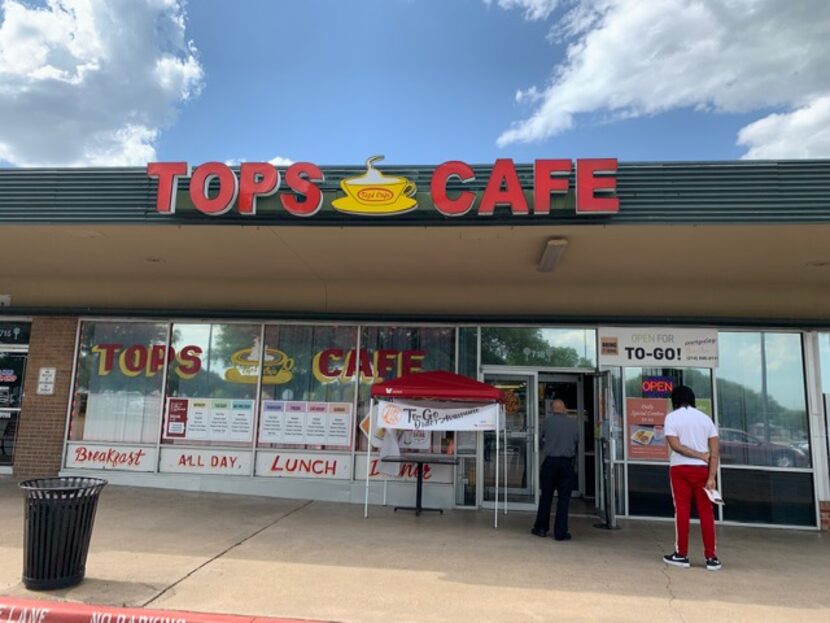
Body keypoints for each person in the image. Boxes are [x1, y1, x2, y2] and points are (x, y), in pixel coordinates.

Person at [662, 385, 722, 571]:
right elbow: (715, 451)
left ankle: (681, 554)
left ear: (675, 400)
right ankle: (711, 557)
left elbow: (676, 446)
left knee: (682, 511)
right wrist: (712, 476)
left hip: (680, 469)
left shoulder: (672, 417)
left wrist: (697, 455)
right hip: (703, 471)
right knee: (706, 512)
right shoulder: (706, 419)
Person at [532, 398, 579, 541]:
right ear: (564, 409)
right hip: (566, 463)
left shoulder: (546, 422)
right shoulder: (573, 424)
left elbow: (539, 441)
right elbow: (577, 442)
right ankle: (560, 532)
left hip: (550, 463)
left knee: (546, 496)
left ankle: (541, 528)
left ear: (552, 409)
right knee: (564, 500)